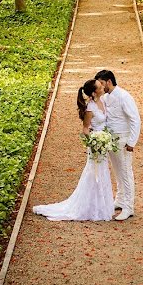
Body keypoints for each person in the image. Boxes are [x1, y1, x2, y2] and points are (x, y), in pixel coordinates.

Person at [32, 79, 115, 221]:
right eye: (99, 85)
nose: (102, 85)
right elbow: (85, 129)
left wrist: (105, 139)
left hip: (104, 143)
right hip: (96, 146)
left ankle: (102, 206)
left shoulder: (103, 101)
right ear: (95, 92)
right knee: (93, 173)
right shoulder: (90, 108)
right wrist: (94, 142)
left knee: (103, 173)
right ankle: (89, 207)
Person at [94, 70, 141, 221]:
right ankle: (120, 199)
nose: (99, 87)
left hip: (124, 139)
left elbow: (135, 119)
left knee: (126, 172)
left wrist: (132, 142)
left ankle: (129, 206)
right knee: (117, 171)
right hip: (111, 140)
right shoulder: (106, 97)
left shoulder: (124, 96)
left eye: (101, 83)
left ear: (108, 81)